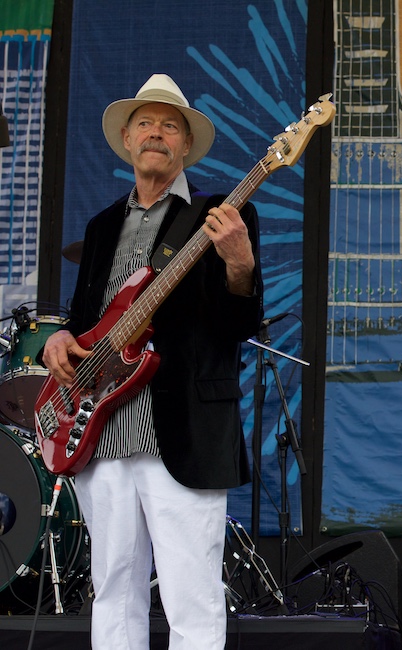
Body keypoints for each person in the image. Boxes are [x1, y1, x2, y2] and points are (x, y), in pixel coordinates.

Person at [41, 74, 263, 649]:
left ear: (186, 145)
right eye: (145, 123)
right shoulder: (99, 227)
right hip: (103, 430)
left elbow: (237, 327)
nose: (156, 133)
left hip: (181, 431)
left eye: (171, 125)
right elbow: (84, 318)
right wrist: (60, 339)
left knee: (191, 594)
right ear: (127, 139)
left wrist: (239, 263)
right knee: (114, 592)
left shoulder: (219, 215)